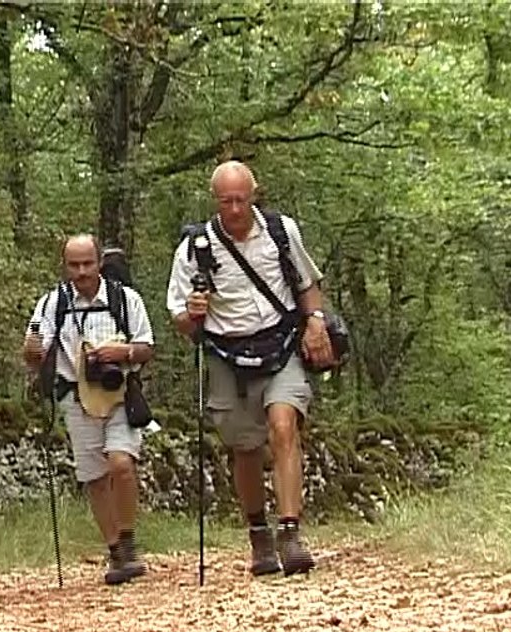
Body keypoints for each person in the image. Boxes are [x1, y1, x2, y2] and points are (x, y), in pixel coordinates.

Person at [166, 160, 336, 577]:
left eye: (242, 199)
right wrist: (192, 314)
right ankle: (258, 532)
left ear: (254, 195)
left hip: (281, 344)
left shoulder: (281, 232)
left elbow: (307, 284)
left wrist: (315, 322)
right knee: (244, 449)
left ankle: (290, 532)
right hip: (227, 355)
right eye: (227, 201)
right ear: (215, 200)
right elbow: (181, 322)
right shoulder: (195, 248)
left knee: (283, 426)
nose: (236, 209)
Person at [23, 234, 155, 586]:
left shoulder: (125, 300)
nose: (81, 272)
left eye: (87, 264)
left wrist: (120, 354)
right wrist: (33, 350)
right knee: (94, 477)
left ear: (100, 262)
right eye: (74, 265)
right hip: (76, 396)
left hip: (119, 392)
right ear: (64, 266)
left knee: (121, 464)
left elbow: (146, 347)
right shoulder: (52, 304)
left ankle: (127, 540)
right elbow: (35, 355)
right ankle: (115, 550)